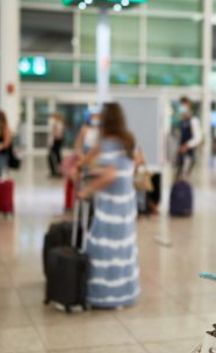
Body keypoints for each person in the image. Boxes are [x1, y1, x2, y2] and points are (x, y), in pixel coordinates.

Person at [77, 103, 139, 308]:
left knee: (101, 248)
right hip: (126, 204)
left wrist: (88, 189)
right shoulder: (128, 140)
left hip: (111, 206)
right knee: (122, 249)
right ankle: (123, 295)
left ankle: (103, 297)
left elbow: (111, 174)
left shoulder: (108, 143)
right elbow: (129, 166)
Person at [176, 97, 203, 180]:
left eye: (183, 105)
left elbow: (198, 138)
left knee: (184, 180)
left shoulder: (193, 120)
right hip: (180, 157)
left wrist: (186, 146)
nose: (181, 108)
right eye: (180, 106)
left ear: (188, 105)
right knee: (178, 179)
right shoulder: (181, 120)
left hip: (189, 156)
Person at [48, 113, 65, 178]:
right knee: (55, 156)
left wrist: (54, 128)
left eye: (53, 117)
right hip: (55, 141)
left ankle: (59, 171)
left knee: (56, 156)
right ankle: (55, 171)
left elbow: (58, 134)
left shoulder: (58, 124)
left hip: (56, 141)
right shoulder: (56, 124)